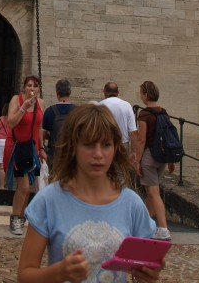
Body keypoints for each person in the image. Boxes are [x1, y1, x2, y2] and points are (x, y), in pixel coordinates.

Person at [17, 103, 164, 283]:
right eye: (89, 145)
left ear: (115, 148)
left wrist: (149, 275)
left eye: (106, 145)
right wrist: (59, 272)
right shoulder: (47, 201)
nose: (98, 154)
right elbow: (24, 275)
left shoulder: (132, 204)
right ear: (73, 147)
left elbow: (144, 269)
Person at [4, 74, 46, 236]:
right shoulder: (17, 100)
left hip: (32, 149)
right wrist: (23, 107)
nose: (32, 88)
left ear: (39, 89)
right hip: (18, 147)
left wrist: (41, 147)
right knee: (24, 186)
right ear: (24, 87)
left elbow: (39, 127)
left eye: (35, 86)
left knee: (28, 188)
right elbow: (11, 122)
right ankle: (15, 218)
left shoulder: (40, 103)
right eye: (29, 85)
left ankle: (20, 218)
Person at [135, 80, 175, 241]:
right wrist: (171, 160)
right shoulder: (163, 112)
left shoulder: (144, 115)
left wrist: (137, 161)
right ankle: (145, 225)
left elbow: (141, 140)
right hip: (162, 157)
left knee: (153, 193)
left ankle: (163, 228)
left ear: (145, 95)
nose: (140, 96)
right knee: (151, 193)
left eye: (141, 93)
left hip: (149, 157)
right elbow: (168, 137)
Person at [42, 78, 76, 172]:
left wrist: (42, 150)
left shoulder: (49, 111)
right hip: (72, 156)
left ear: (57, 93)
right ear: (70, 92)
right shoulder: (77, 111)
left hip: (54, 156)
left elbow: (43, 135)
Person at [98, 81, 138, 164]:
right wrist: (133, 152)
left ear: (105, 92)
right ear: (117, 92)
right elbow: (133, 132)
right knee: (121, 169)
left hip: (105, 144)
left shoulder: (100, 105)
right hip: (123, 144)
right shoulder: (127, 105)